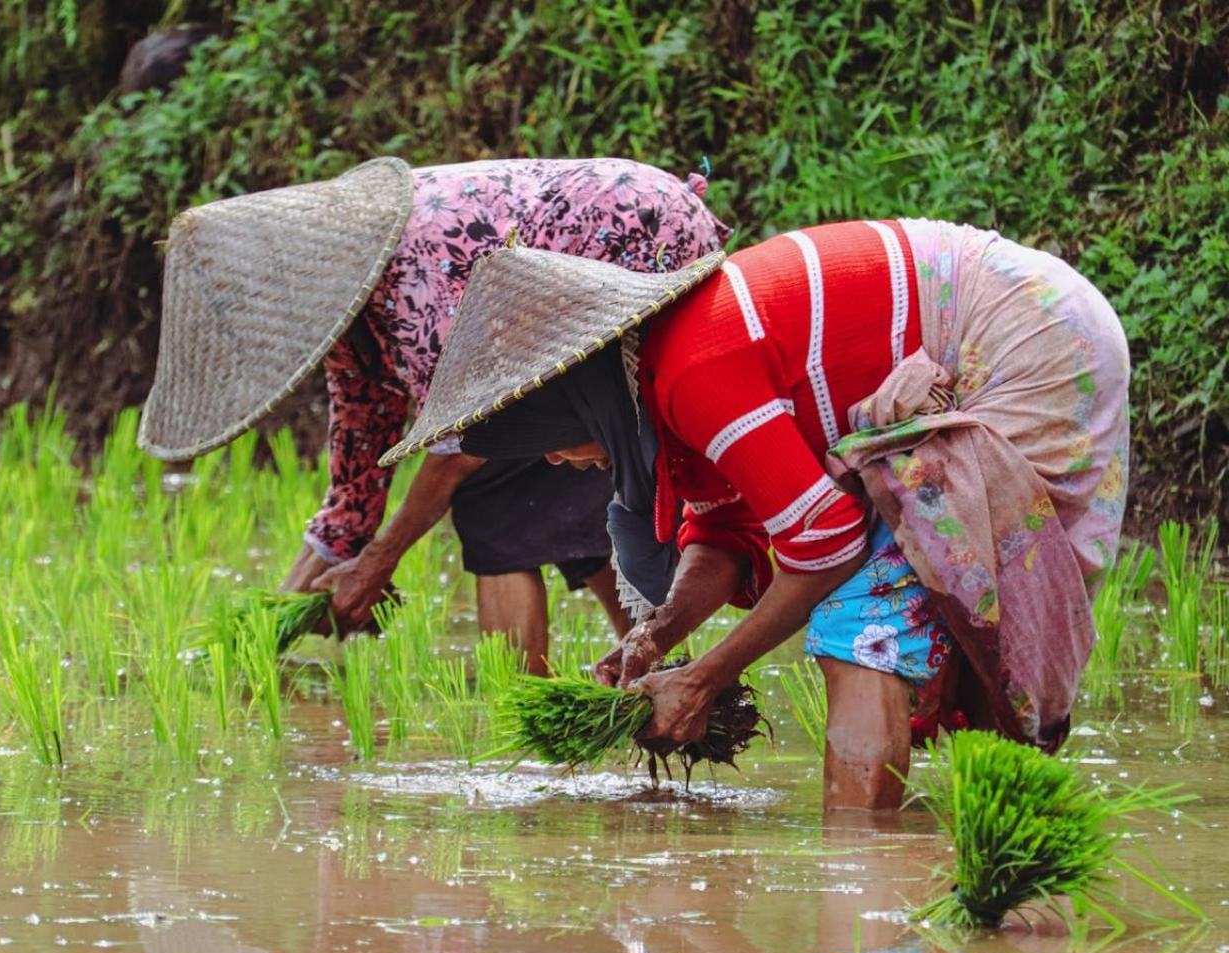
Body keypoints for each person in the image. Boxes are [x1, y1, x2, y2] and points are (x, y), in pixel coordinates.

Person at [381, 219, 1129, 809]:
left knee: (862, 619)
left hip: (1023, 338)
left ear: (574, 400)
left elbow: (826, 542)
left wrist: (704, 679)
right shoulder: (665, 379)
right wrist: (658, 635)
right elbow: (726, 533)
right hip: (1023, 315)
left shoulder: (693, 366)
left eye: (543, 437)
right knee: (897, 608)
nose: (551, 459)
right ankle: (948, 851)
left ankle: (862, 884)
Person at [138, 156, 729, 672]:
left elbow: (461, 443)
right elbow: (357, 477)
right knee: (555, 483)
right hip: (583, 289)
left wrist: (378, 562)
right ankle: (648, 676)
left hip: (634, 242)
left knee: (494, 497)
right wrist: (282, 615)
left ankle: (528, 702)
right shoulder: (353, 328)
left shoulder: (412, 278)